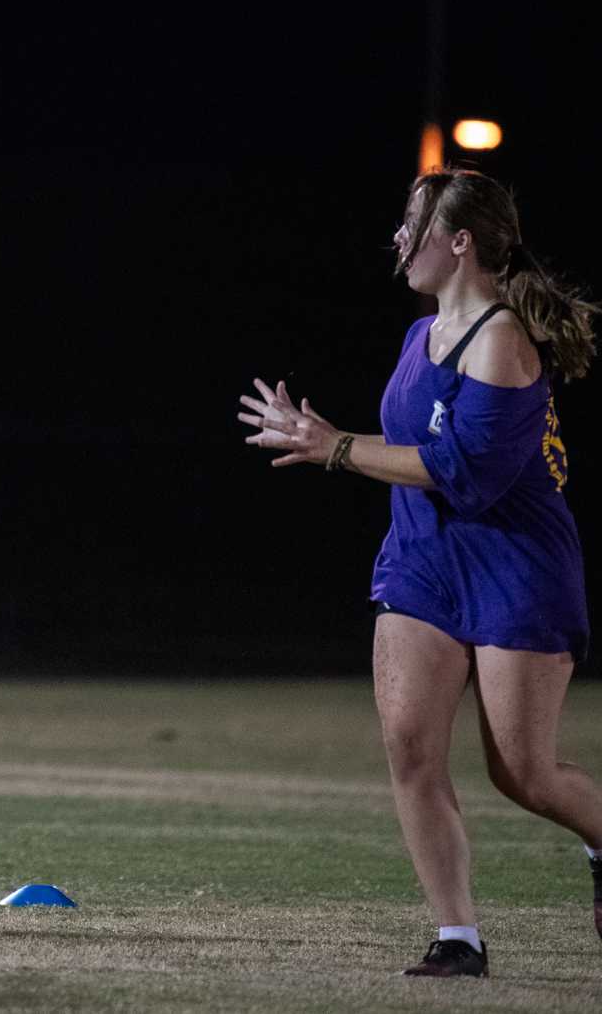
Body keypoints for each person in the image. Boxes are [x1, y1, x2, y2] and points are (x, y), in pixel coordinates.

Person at [238, 168, 601, 979]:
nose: (399, 239)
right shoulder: (418, 335)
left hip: (518, 567)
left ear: (459, 240)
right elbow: (417, 457)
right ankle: (458, 937)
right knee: (409, 744)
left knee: (525, 772)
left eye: (414, 224)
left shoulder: (504, 340)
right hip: (424, 562)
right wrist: (329, 438)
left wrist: (333, 444)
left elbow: (465, 473)